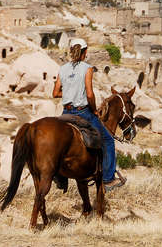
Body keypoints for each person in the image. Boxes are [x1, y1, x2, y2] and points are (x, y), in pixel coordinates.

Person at [52, 38, 125, 192]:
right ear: (85, 52)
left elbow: (55, 92)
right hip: (82, 112)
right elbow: (90, 94)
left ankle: (59, 176)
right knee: (108, 140)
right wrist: (94, 110)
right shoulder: (87, 68)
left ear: (71, 51)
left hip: (66, 112)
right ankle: (108, 179)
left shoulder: (63, 69)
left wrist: (70, 93)